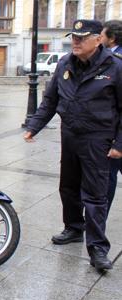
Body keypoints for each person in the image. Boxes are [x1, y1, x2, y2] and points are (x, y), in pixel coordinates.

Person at [24, 20, 122, 272]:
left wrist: (119, 144)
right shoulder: (65, 63)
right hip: (70, 136)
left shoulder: (115, 67)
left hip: (98, 139)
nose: (75, 41)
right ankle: (73, 228)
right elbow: (50, 99)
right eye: (73, 37)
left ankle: (98, 248)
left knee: (95, 195)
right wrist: (34, 126)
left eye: (82, 37)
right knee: (68, 187)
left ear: (98, 39)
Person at [102, 20, 122, 213]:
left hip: (116, 131)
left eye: (102, 34)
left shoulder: (114, 61)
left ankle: (99, 219)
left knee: (109, 176)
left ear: (112, 38)